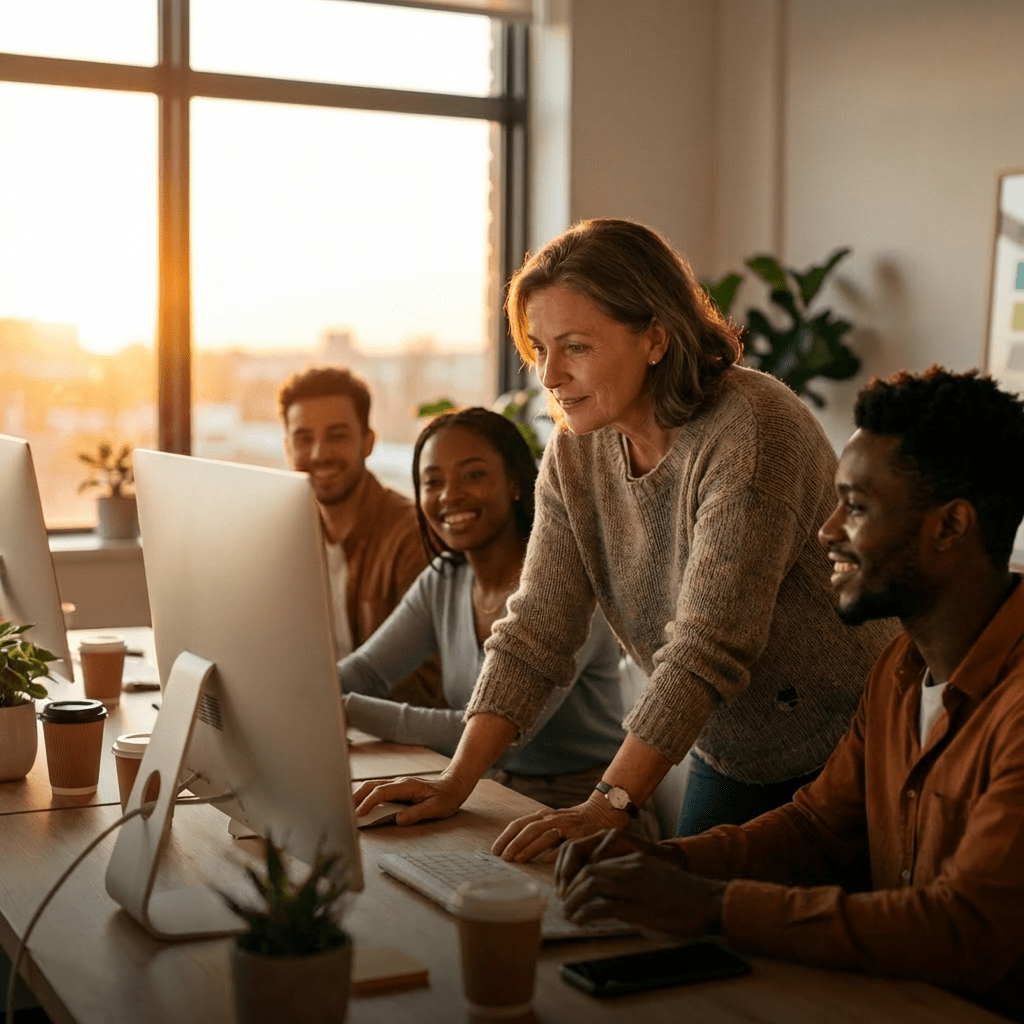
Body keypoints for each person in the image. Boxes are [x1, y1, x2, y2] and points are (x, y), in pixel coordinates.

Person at [354, 219, 895, 855]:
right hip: (732, 747)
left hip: (849, 738)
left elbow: (706, 647)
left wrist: (607, 802)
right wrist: (455, 781)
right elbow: (537, 629)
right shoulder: (576, 451)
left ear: (656, 339)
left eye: (575, 346)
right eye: (539, 348)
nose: (550, 375)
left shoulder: (751, 431)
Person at [554, 367, 1024, 1021]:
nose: (827, 529)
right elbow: (816, 829)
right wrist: (663, 862)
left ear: (951, 527)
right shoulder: (897, 671)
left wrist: (711, 905)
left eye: (856, 507)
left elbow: (962, 929)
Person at [341, 407, 630, 810]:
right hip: (483, 790)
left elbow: (506, 736)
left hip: (578, 805)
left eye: (473, 475)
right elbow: (366, 672)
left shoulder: (566, 587)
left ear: (514, 483)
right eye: (432, 482)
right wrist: (300, 693)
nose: (449, 495)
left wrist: (347, 710)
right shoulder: (445, 580)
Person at [279, 366, 442, 707]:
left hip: (387, 738)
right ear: (288, 447)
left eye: (337, 435)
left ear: (367, 442)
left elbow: (426, 687)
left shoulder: (412, 535)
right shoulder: (284, 536)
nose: (319, 453)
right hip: (315, 716)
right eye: (304, 439)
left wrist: (319, 699)